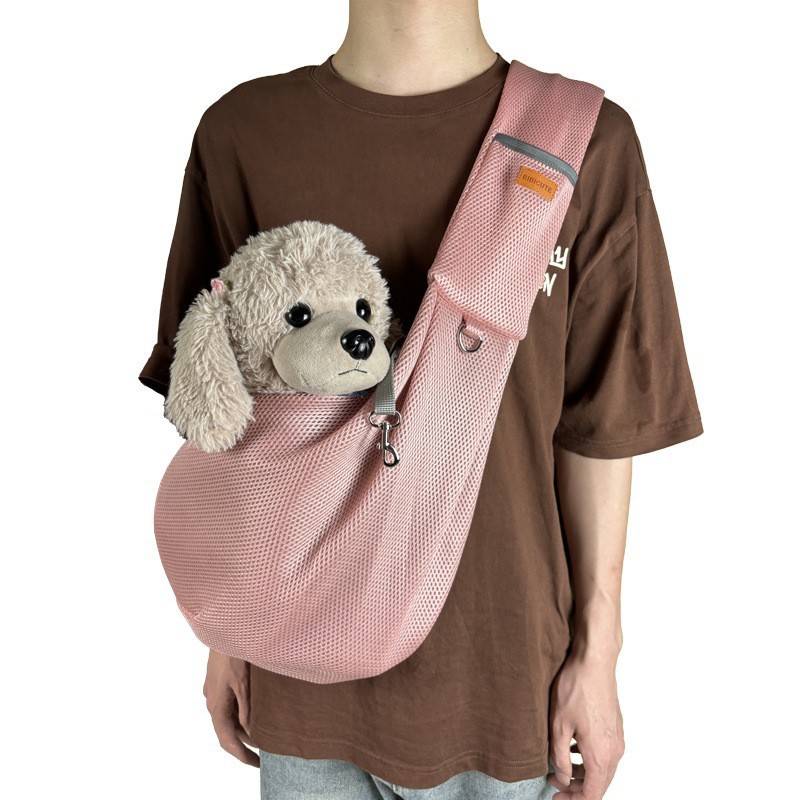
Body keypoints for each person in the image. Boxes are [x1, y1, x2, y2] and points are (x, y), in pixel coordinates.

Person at [139, 1, 704, 798]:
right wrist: (229, 631)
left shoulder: (581, 140)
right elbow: (228, 418)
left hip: (507, 686)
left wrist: (598, 654)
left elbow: (599, 425)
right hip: (300, 680)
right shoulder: (243, 134)